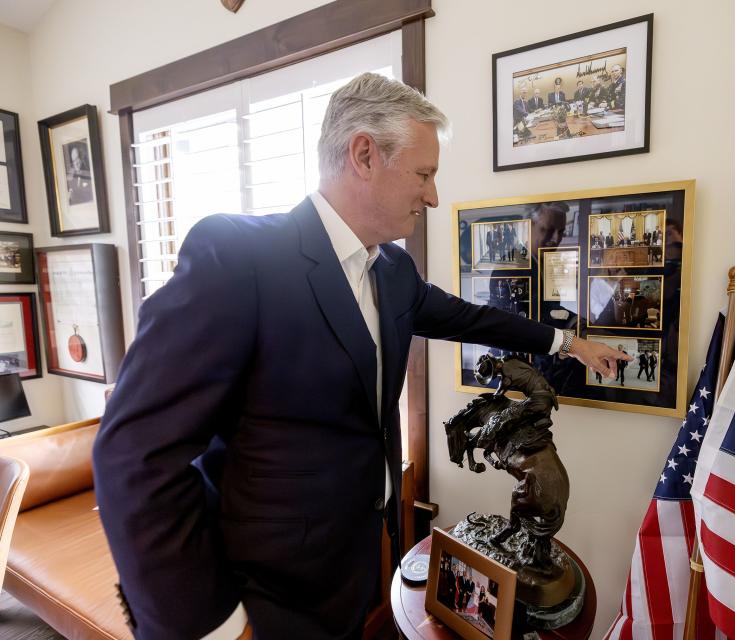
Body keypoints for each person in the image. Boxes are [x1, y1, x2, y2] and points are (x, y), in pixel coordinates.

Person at [92, 72, 629, 640]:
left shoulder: (393, 272)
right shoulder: (240, 258)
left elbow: (469, 318)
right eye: (424, 174)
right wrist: (217, 625)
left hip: (353, 568)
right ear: (365, 155)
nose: (433, 195)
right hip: (261, 596)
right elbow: (135, 457)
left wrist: (568, 343)